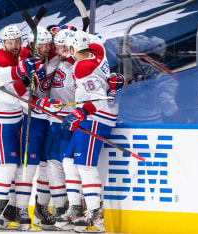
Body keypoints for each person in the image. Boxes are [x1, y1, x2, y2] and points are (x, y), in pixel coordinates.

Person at [57, 31, 125, 233]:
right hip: (91, 117)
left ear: (72, 49)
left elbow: (96, 101)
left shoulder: (83, 66)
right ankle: (76, 209)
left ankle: (95, 215)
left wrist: (78, 113)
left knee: (85, 166)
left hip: (95, 118)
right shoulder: (96, 54)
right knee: (68, 161)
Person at [0, 24, 41, 230]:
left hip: (16, 118)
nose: (15, 45)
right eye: (11, 42)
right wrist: (24, 74)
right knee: (7, 166)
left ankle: (17, 210)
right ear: (4, 43)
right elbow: (7, 84)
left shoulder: (20, 54)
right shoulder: (0, 58)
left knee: (19, 168)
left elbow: (28, 59)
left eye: (18, 41)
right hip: (1, 120)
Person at [13, 26, 58, 230]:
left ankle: (41, 208)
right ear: (32, 45)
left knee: (47, 167)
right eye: (42, 45)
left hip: (50, 118)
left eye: (48, 44)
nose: (46, 48)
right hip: (30, 118)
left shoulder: (53, 56)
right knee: (28, 167)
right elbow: (20, 94)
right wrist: (40, 104)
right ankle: (20, 209)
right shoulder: (25, 63)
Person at [37, 28, 77, 229]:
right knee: (52, 165)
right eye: (57, 46)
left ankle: (67, 208)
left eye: (62, 46)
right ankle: (57, 208)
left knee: (63, 166)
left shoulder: (79, 66)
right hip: (54, 121)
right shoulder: (55, 62)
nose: (57, 50)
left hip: (71, 122)